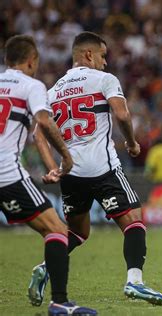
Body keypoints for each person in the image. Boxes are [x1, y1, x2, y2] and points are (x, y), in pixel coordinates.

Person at [30, 31, 162, 306]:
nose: (105, 62)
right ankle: (135, 282)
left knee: (78, 232)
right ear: (89, 55)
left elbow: (38, 134)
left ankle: (45, 268)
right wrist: (131, 142)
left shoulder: (52, 91)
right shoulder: (105, 80)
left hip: (70, 173)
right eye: (103, 56)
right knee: (134, 220)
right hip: (102, 168)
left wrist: (52, 167)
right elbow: (121, 114)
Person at [0, 35, 96, 315]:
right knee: (56, 230)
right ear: (32, 61)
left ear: (7, 60)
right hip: (6, 173)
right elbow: (43, 121)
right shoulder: (31, 86)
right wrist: (64, 156)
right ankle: (60, 303)